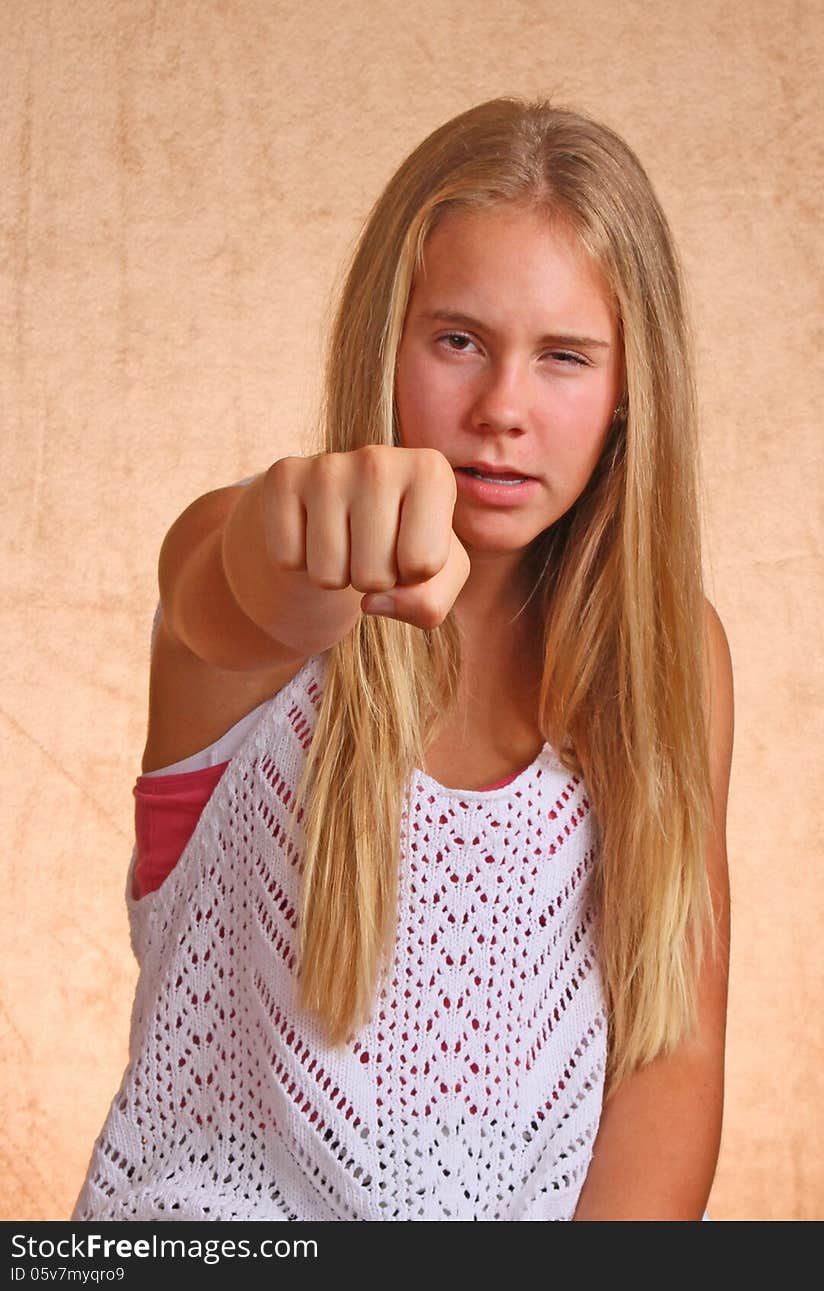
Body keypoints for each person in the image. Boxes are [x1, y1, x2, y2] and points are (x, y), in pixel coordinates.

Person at [72, 95, 733, 1222]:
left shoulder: (671, 660)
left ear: (630, 396)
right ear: (387, 342)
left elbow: (669, 1058)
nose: (501, 410)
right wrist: (297, 538)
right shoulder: (251, 605)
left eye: (564, 357)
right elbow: (239, 579)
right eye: (459, 341)